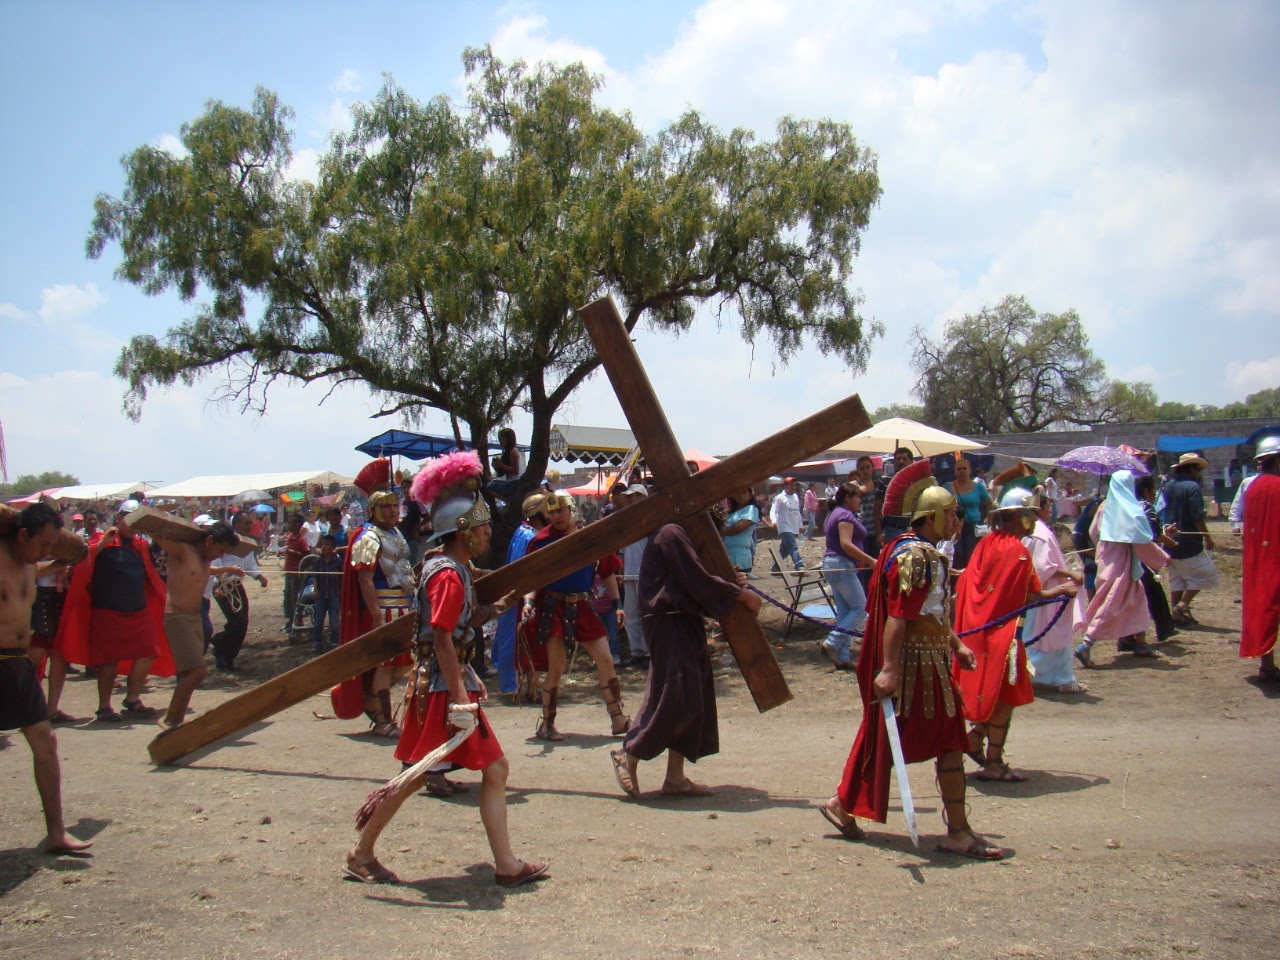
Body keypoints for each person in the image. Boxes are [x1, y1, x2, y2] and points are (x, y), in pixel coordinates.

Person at [346, 451, 546, 887]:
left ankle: (364, 853)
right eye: (483, 526)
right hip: (443, 689)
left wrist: (501, 605)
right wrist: (459, 695)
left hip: (441, 684)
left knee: (457, 773)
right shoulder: (449, 576)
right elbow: (441, 637)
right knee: (459, 773)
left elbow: (462, 622)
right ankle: (505, 865)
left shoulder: (453, 569)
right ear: (463, 531)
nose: (489, 532)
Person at [819, 459, 1007, 860]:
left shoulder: (916, 552)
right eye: (952, 514)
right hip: (913, 670)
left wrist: (955, 646)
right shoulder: (915, 556)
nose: (958, 520)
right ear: (934, 516)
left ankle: (956, 829)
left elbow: (929, 615)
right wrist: (889, 669)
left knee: (942, 743)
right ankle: (846, 804)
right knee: (895, 742)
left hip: (932, 663)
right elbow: (899, 618)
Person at [610, 519, 762, 799]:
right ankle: (628, 754)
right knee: (676, 695)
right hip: (668, 621)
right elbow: (696, 579)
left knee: (693, 696)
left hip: (683, 621)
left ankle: (675, 778)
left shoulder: (679, 533)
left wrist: (731, 579)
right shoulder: (670, 532)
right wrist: (738, 595)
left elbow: (696, 577)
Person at [955, 481, 1077, 782]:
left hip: (980, 631)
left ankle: (975, 739)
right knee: (1005, 696)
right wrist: (1060, 589)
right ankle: (994, 761)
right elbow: (1029, 597)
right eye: (1030, 514)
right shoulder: (1017, 552)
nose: (1034, 520)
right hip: (1002, 636)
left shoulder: (987, 542)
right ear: (1019, 515)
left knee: (998, 692)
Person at [0, 503, 93, 855]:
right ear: (22, 534)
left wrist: (51, 565)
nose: (44, 552)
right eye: (42, 545)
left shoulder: (28, 562)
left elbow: (26, 571)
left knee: (45, 743)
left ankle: (56, 832)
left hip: (18, 665)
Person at [520, 493, 629, 741]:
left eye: (561, 511)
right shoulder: (541, 542)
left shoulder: (589, 538)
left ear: (572, 510)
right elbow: (531, 577)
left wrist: (617, 605)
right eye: (552, 512)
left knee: (606, 659)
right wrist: (528, 602)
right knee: (556, 669)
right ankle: (546, 724)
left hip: (581, 606)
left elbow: (608, 571)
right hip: (553, 608)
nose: (557, 517)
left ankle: (618, 718)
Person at [54, 500, 171, 723]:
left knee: (148, 652)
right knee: (109, 661)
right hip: (108, 610)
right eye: (129, 517)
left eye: (138, 519)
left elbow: (153, 572)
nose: (134, 523)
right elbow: (80, 566)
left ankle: (132, 699)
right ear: (119, 518)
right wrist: (101, 546)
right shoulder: (101, 541)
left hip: (138, 609)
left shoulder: (141, 546)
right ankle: (104, 706)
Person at [337, 484, 415, 737]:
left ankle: (371, 698)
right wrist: (377, 616)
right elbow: (365, 580)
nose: (393, 510)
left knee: (404, 663)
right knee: (385, 664)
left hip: (403, 606)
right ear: (374, 510)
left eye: (395, 505)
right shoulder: (367, 537)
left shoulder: (396, 533)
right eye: (387, 506)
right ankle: (382, 719)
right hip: (384, 607)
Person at [1075, 470, 1172, 667]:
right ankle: (1086, 645)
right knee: (1112, 604)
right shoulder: (1130, 509)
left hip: (1106, 558)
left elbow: (1094, 532)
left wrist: (1104, 547)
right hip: (1122, 563)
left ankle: (1141, 643)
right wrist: (1161, 557)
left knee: (1137, 600)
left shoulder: (1104, 506)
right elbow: (1141, 539)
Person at [154, 521, 238, 731]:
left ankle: (176, 719)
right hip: (176, 617)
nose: (220, 554)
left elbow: (204, 572)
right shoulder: (182, 550)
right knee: (197, 672)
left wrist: (227, 568)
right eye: (220, 549)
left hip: (194, 618)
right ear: (209, 540)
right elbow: (156, 534)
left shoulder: (206, 560)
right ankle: (170, 721)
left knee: (187, 673)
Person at [1022, 490, 1088, 694]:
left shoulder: (1034, 530)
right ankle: (1055, 678)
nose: (1050, 510)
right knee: (1048, 636)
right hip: (1047, 592)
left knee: (1040, 634)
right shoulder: (1039, 534)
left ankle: (1048, 676)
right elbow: (1044, 567)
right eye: (1047, 506)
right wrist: (1070, 574)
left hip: (1040, 592)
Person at [493, 493, 549, 701]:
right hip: (520, 598)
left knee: (528, 640)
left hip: (526, 596)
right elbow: (523, 571)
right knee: (516, 640)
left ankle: (530, 688)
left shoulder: (525, 532)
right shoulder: (527, 536)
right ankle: (512, 687)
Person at [819, 482, 876, 669]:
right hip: (841, 564)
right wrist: (870, 560)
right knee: (861, 608)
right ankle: (833, 641)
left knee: (845, 611)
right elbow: (846, 544)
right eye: (857, 497)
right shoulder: (844, 515)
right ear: (848, 498)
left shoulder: (833, 514)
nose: (860, 500)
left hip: (833, 564)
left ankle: (843, 656)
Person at [1160, 453, 1218, 623]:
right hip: (1188, 540)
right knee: (1207, 574)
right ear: (1191, 469)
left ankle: (1177, 615)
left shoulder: (1168, 486)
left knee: (1177, 579)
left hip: (1170, 536)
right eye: (1198, 469)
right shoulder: (1192, 488)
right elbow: (1197, 517)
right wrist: (1207, 538)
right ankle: (1182, 605)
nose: (1199, 473)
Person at [1241, 435, 1280, 682]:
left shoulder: (1253, 486)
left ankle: (1267, 662)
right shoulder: (1276, 486)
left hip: (1260, 557)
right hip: (1275, 555)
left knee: (1265, 606)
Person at [208, 511, 268, 672]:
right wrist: (218, 584)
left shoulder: (247, 543)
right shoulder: (226, 539)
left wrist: (259, 576)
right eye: (246, 523)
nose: (250, 526)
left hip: (236, 585)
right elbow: (216, 559)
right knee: (237, 622)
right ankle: (220, 645)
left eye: (250, 523)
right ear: (236, 525)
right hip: (224, 585)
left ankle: (228, 658)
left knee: (243, 623)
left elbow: (249, 565)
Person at [1135, 474, 1179, 643]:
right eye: (1153, 491)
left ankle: (1128, 638)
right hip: (1144, 556)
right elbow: (1153, 532)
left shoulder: (1129, 506)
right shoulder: (1146, 506)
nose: (1154, 495)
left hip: (1132, 555)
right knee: (1154, 595)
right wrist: (1171, 543)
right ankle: (1164, 629)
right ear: (1147, 491)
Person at [618, 483, 653, 667]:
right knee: (630, 613)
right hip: (631, 572)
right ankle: (636, 651)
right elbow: (624, 551)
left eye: (632, 497)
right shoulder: (627, 520)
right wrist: (622, 573)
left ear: (640, 497)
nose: (629, 500)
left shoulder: (650, 518)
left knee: (646, 613)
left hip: (645, 572)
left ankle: (648, 651)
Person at [947, 458, 992, 572]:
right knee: (957, 557)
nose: (962, 471)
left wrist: (989, 522)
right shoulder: (948, 486)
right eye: (959, 469)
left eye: (964, 468)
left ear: (969, 470)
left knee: (972, 558)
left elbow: (990, 504)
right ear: (955, 471)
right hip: (955, 528)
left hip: (974, 527)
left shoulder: (978, 487)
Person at [310, 534, 343, 653]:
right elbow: (315, 577)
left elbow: (342, 578)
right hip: (321, 595)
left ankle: (334, 641)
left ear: (333, 547)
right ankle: (317, 641)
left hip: (334, 594)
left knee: (334, 621)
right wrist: (315, 589)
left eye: (326, 545)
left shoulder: (338, 562)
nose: (323, 547)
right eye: (322, 544)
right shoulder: (318, 562)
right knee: (318, 620)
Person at [721, 487, 760, 574]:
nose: (740, 495)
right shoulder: (732, 512)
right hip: (726, 555)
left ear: (750, 495)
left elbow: (739, 528)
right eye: (738, 493)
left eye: (744, 492)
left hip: (739, 557)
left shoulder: (751, 509)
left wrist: (719, 532)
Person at [769, 477, 805, 571]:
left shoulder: (795, 497)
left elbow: (797, 512)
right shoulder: (779, 498)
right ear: (785, 486)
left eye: (794, 485)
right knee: (793, 546)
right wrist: (774, 521)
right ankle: (799, 564)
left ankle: (775, 567)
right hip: (784, 526)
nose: (794, 487)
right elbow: (773, 510)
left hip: (793, 526)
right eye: (791, 485)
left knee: (784, 550)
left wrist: (800, 525)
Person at [282, 515, 310, 629]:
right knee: (287, 597)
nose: (288, 525)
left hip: (296, 572)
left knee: (295, 598)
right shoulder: (289, 537)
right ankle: (290, 619)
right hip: (288, 571)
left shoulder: (301, 540)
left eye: (291, 523)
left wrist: (293, 552)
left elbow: (306, 555)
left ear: (297, 525)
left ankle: (298, 620)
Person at [486, 427, 525, 502]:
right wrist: (495, 466)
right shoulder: (506, 453)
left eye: (502, 440)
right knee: (490, 485)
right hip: (511, 482)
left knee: (489, 487)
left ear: (508, 439)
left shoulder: (513, 451)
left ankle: (507, 501)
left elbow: (515, 471)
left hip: (515, 483)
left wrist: (501, 465)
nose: (500, 442)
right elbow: (501, 473)